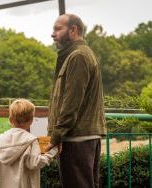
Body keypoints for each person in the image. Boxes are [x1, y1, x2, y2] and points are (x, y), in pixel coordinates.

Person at [45, 14, 107, 188]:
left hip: (76, 138)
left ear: (73, 30)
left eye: (58, 29)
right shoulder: (77, 55)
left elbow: (72, 102)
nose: (53, 34)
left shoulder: (78, 56)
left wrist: (57, 136)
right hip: (80, 137)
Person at [0, 99, 57, 188]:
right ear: (31, 120)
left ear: (10, 119)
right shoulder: (30, 140)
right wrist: (52, 151)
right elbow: (35, 163)